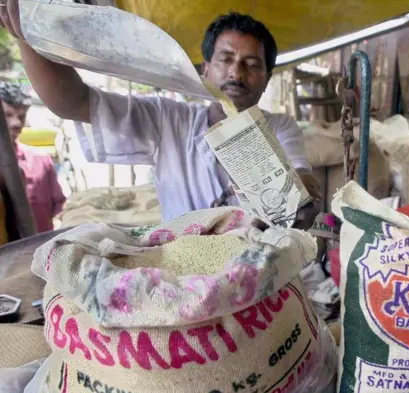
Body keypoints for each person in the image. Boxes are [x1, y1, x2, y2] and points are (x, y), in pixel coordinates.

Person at [0, 3, 320, 228]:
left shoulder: (279, 127)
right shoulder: (169, 120)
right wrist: (26, 38)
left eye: (252, 64)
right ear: (205, 70)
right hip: (190, 276)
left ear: (266, 78)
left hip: (261, 270)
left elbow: (301, 183)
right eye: (226, 59)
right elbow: (72, 103)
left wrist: (303, 198)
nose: (236, 72)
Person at [0, 82, 66, 233]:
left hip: (41, 247)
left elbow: (59, 206)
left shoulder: (42, 161)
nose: (16, 123)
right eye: (7, 115)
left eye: (21, 116)